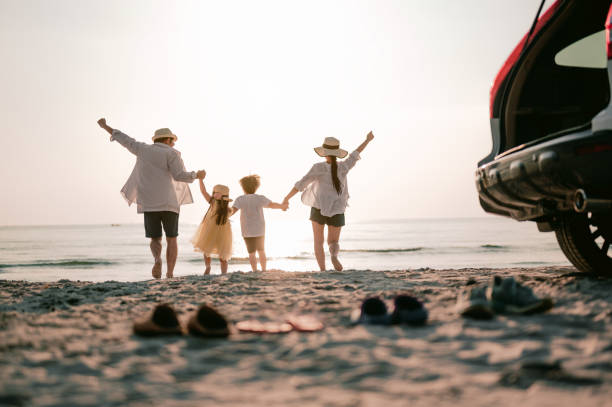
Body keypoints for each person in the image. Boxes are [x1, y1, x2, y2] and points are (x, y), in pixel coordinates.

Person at [97, 118, 205, 279]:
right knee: (172, 238)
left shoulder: (142, 149)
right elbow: (179, 175)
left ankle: (157, 259)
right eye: (172, 141)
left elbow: (124, 139)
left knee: (155, 238)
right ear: (168, 140)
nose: (174, 144)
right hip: (169, 202)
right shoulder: (172, 153)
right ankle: (169, 273)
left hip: (149, 202)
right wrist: (196, 175)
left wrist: (105, 126)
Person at [283, 131, 374, 271]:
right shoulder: (344, 166)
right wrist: (367, 140)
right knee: (333, 241)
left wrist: (287, 198)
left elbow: (301, 184)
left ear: (324, 152)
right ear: (337, 153)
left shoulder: (318, 167)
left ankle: (323, 270)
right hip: (338, 208)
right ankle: (333, 255)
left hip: (318, 207)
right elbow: (356, 154)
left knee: (318, 242)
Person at [231, 175, 288, 272]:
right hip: (260, 230)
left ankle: (254, 270)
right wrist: (282, 206)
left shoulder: (240, 199)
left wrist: (222, 215)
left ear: (243, 187)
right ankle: (264, 269)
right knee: (261, 251)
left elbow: (232, 211)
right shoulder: (260, 198)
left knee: (251, 252)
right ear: (256, 187)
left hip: (246, 230)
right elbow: (272, 205)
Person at [191, 175, 233, 274]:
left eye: (217, 193)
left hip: (223, 233)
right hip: (210, 230)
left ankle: (224, 272)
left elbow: (233, 211)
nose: (214, 194)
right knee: (206, 249)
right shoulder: (213, 202)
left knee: (223, 254)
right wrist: (201, 179)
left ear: (223, 195)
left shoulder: (228, 209)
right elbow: (203, 191)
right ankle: (208, 267)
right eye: (214, 192)